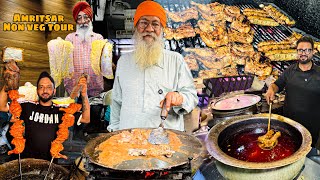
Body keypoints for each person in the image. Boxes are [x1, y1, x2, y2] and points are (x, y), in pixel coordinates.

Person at [108, 1, 198, 132]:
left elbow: (191, 97)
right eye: (144, 22)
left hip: (166, 140)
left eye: (155, 24)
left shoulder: (175, 60)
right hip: (128, 140)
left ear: (161, 29)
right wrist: (114, 133)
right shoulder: (123, 62)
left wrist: (180, 98)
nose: (149, 29)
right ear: (136, 26)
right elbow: (116, 102)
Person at [0, 68, 90, 161]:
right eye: (41, 87)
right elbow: (2, 106)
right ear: (37, 91)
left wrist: (84, 93)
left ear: (54, 91)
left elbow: (86, 119)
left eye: (49, 87)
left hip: (49, 162)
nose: (45, 90)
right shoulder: (27, 106)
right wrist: (7, 85)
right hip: (25, 160)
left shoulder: (61, 110)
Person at [265, 36, 320, 153]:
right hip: (289, 125)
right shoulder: (290, 71)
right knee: (287, 151)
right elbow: (277, 85)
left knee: (307, 154)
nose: (303, 53)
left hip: (311, 128)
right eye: (300, 50)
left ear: (313, 52)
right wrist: (271, 89)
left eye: (307, 50)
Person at [64, 1, 104, 98]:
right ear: (76, 21)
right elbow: (66, 65)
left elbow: (103, 63)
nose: (83, 21)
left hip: (95, 90)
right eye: (79, 18)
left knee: (94, 113)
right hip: (74, 90)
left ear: (90, 19)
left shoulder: (98, 38)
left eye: (86, 17)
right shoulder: (70, 38)